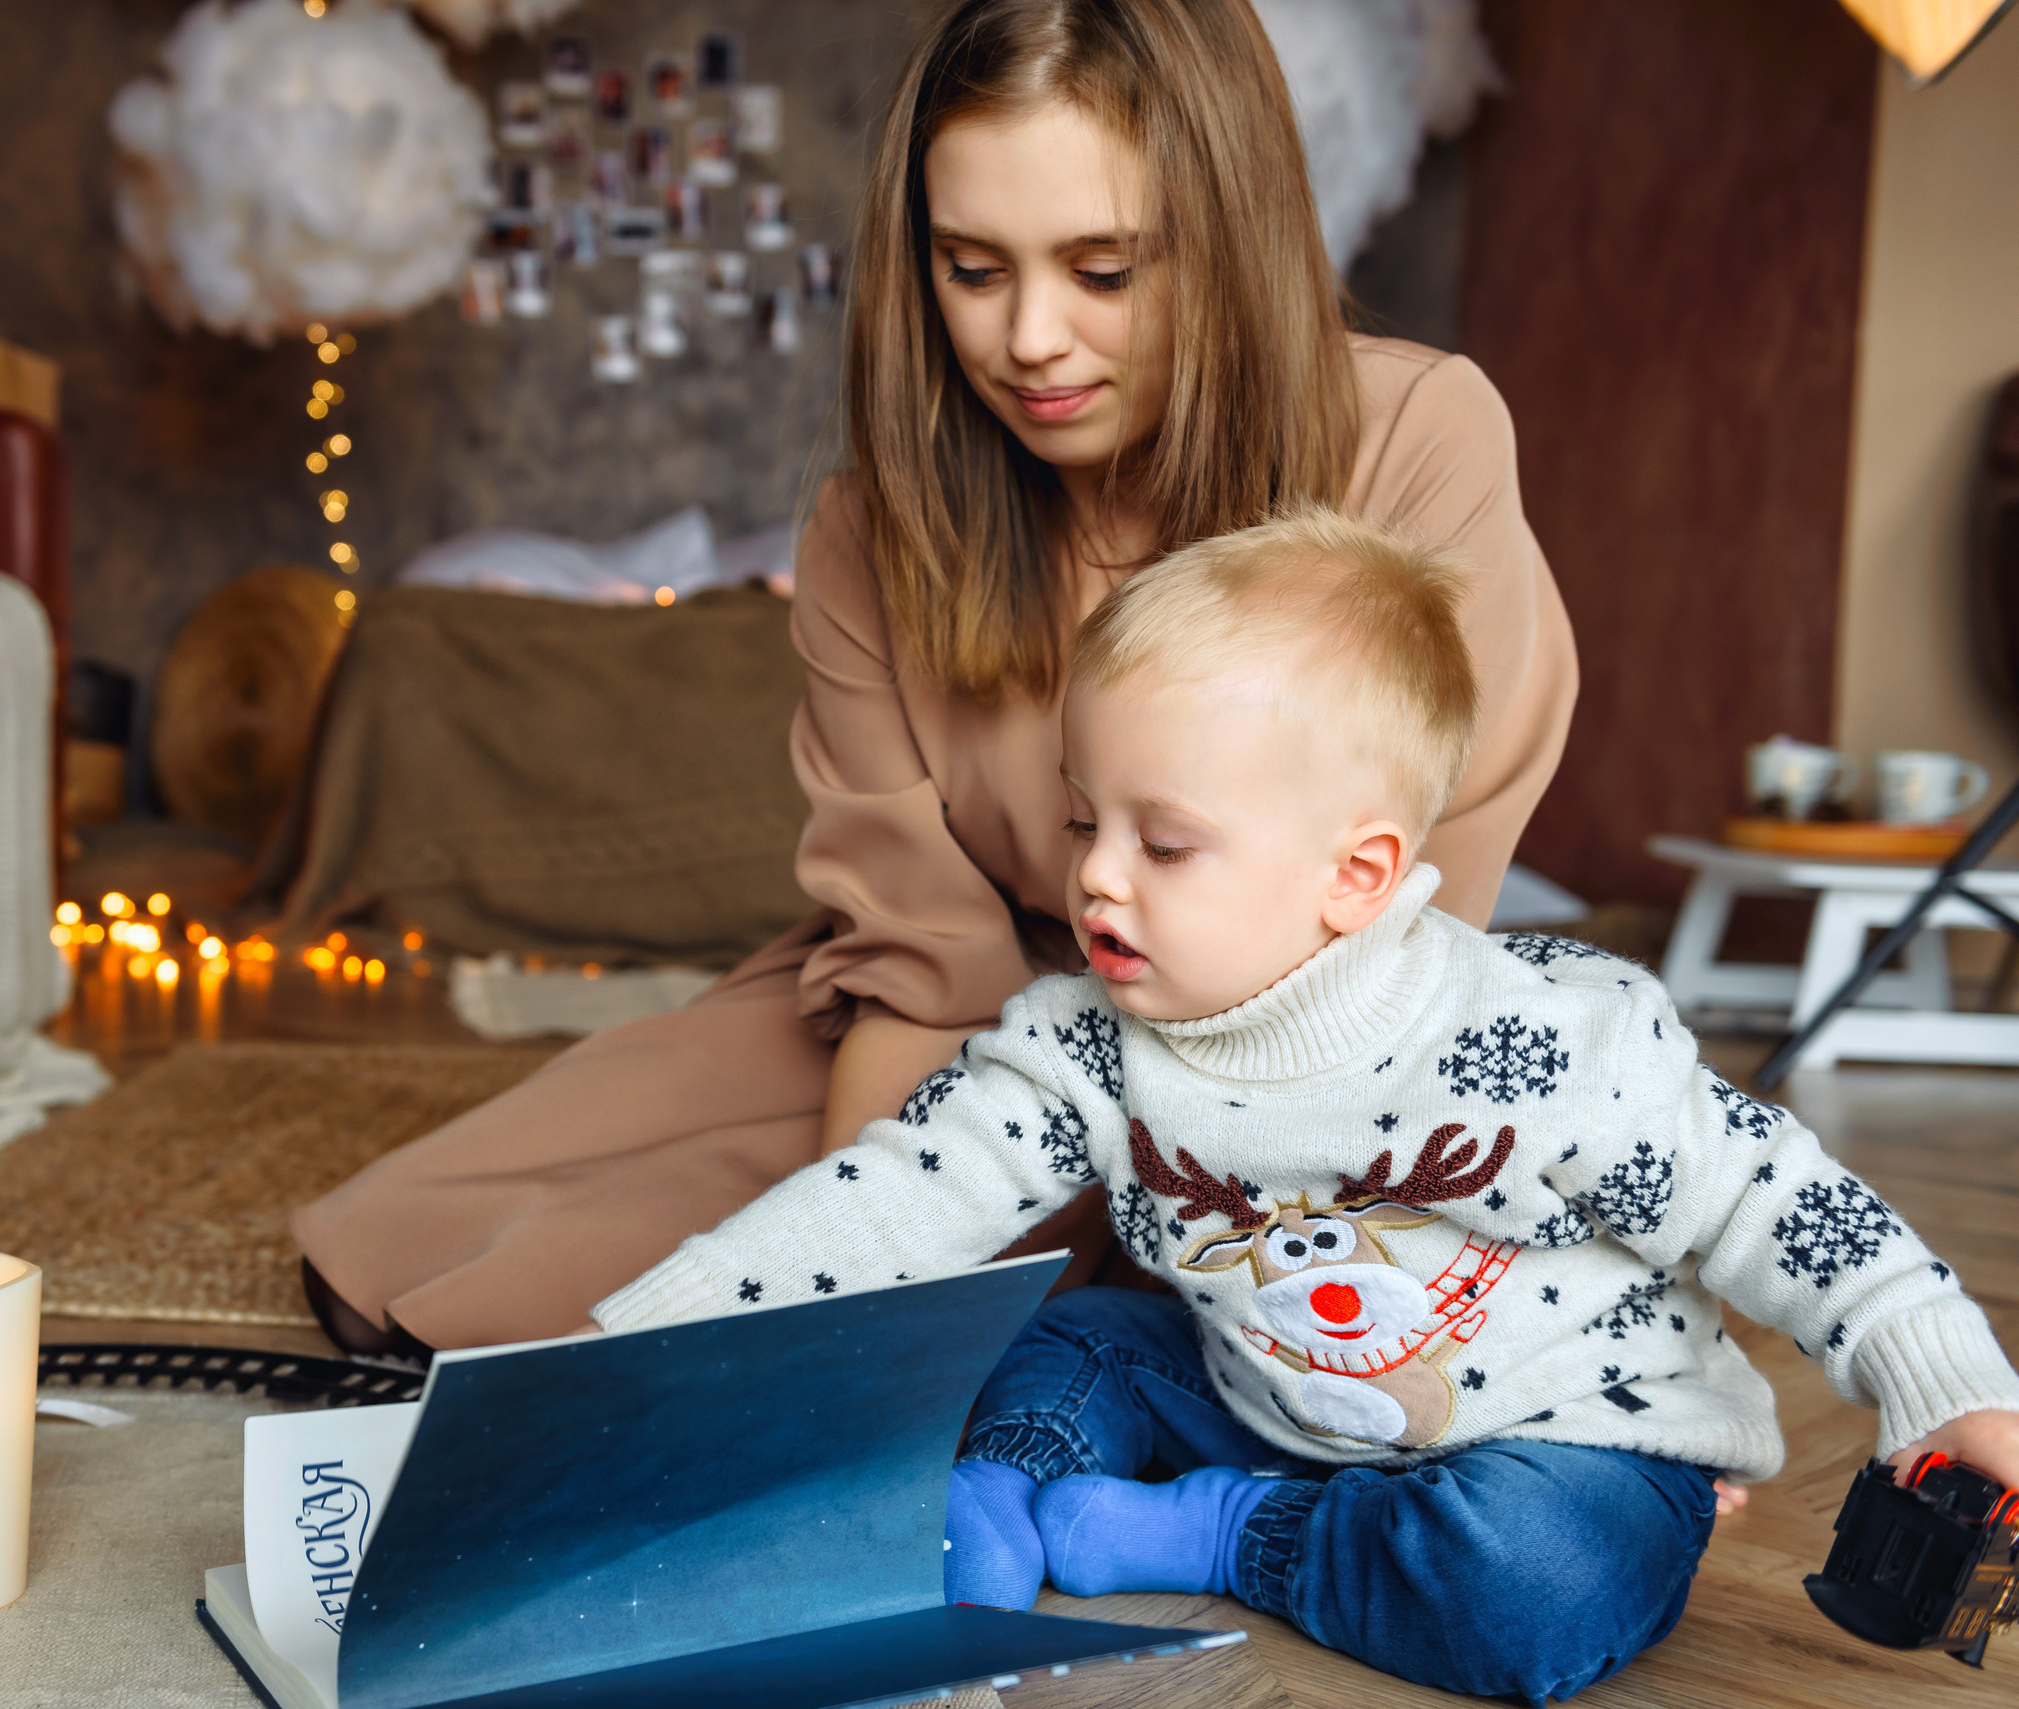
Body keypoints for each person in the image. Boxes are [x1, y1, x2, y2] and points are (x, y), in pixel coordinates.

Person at [293, 0, 1577, 1355]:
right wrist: (854, 1231)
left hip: (1291, 1065)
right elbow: (923, 971)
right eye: (974, 267)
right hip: (956, 1016)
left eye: (1103, 270)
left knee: (747, 1334)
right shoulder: (870, 526)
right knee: (411, 1255)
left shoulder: (1420, 442)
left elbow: (1397, 946)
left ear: (1231, 237)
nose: (1029, 340)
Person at [592, 509, 2019, 1703]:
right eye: (1087, 818)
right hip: (1256, 1387)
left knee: (1533, 1582)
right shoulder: (1092, 1043)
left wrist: (1949, 1384)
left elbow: (1776, 1195)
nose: (1096, 875)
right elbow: (895, 1194)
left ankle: (1229, 1537)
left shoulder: (1544, 1040)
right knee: (1068, 1329)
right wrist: (624, 1363)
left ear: (1355, 871)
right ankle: (1005, 1494)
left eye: (1167, 841)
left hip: (1555, 1443)